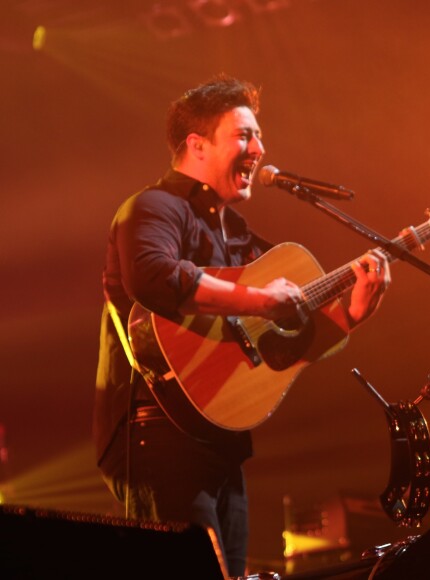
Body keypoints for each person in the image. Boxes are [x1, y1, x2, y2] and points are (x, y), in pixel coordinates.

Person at [93, 74, 390, 577]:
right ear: (197, 145)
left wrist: (350, 316)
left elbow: (282, 344)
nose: (260, 147)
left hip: (221, 441)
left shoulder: (238, 236)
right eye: (245, 135)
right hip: (157, 436)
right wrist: (257, 299)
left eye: (259, 136)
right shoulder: (152, 208)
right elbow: (154, 277)